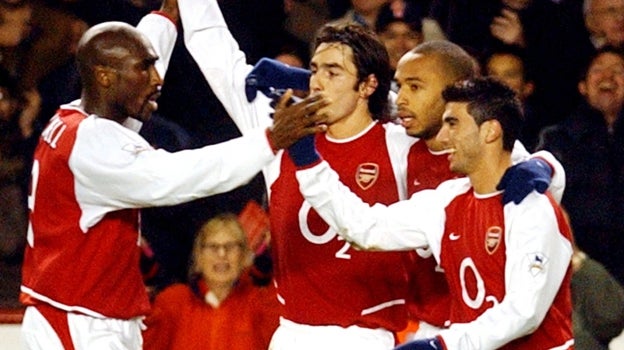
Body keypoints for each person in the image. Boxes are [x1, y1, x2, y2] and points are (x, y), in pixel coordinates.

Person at [179, 2, 565, 347]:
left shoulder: (402, 143)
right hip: (291, 334)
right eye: (313, 71)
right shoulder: (281, 128)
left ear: (367, 86)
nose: (316, 81)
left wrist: (545, 164)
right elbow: (216, 56)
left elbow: (482, 139)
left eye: (332, 71)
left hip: (369, 337)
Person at [18, 1, 328, 348]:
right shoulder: (93, 146)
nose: (157, 78)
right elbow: (181, 176)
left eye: (153, 65)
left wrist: (165, 17)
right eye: (144, 69)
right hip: (79, 323)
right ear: (105, 76)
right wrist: (270, 139)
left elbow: (134, 57)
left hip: (83, 314)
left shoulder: (83, 115)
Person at [290, 77, 574, 349]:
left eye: (453, 123)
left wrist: (443, 345)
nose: (442, 136)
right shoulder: (446, 202)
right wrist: (309, 163)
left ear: (490, 131)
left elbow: (524, 312)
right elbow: (365, 227)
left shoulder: (531, 206)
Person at [536, 45, 624, 286]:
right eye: (598, 70)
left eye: (618, 70)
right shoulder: (557, 138)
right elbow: (541, 199)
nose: (608, 77)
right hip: (578, 268)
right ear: (583, 86)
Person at [142, 213, 280, 350]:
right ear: (199, 255)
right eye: (213, 247)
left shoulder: (259, 303)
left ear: (243, 255)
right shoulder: (173, 302)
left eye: (230, 246)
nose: (222, 254)